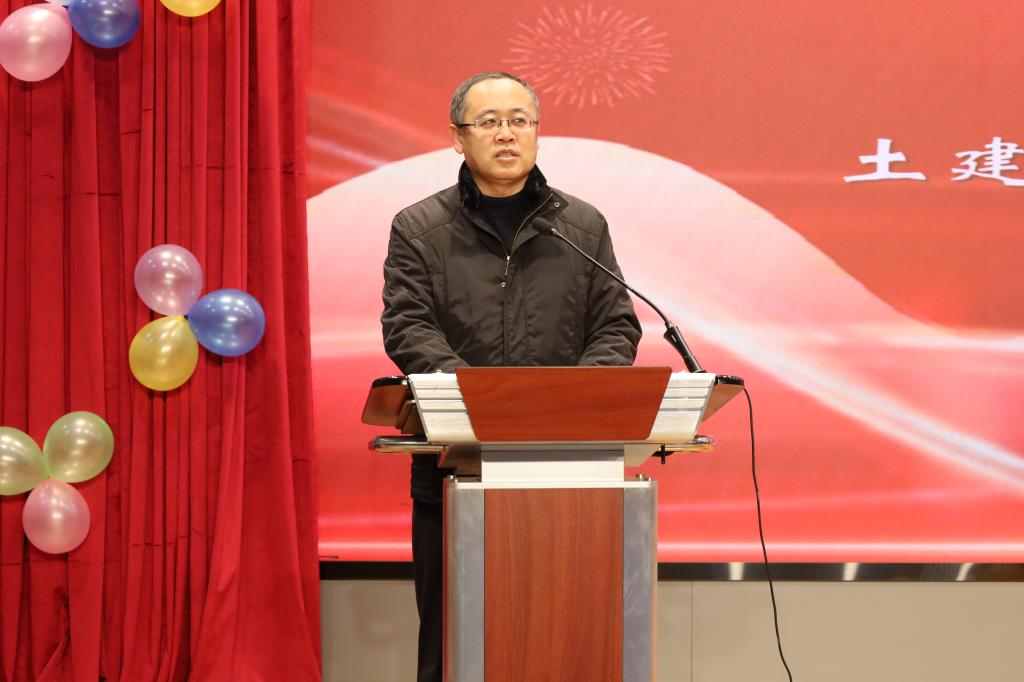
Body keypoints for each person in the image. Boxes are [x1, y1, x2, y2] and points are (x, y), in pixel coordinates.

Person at [380, 71, 641, 682]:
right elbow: (407, 326)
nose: (506, 134)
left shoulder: (582, 227)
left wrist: (568, 400)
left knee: (566, 637)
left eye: (520, 120)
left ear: (537, 133)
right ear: (458, 137)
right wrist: (488, 403)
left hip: (569, 473)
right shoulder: (418, 228)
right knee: (456, 642)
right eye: (489, 122)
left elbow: (616, 326)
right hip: (456, 471)